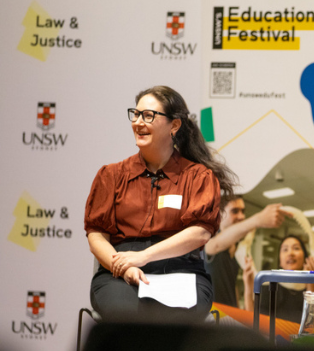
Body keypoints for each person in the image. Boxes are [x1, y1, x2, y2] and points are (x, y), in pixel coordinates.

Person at [84, 86, 236, 322]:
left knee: (168, 324)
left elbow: (199, 234)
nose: (138, 122)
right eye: (135, 114)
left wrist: (144, 257)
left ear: (174, 126)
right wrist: (126, 267)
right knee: (127, 318)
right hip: (120, 271)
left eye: (148, 116)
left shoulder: (198, 176)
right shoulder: (111, 175)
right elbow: (96, 235)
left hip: (181, 272)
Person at [204, 194, 290, 309]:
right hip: (210, 316)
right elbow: (215, 245)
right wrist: (258, 219)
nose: (241, 216)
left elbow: (231, 284)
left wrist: (238, 309)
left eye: (242, 211)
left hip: (229, 316)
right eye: (234, 211)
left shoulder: (238, 248)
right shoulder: (209, 238)